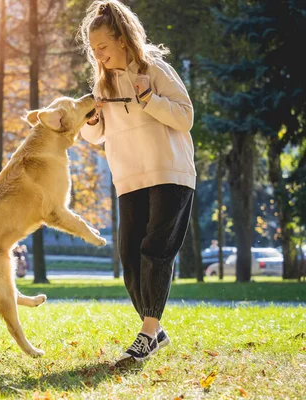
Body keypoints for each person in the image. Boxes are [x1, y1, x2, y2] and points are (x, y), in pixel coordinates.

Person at [78, 0, 196, 366]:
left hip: (169, 172)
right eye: (93, 50)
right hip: (129, 178)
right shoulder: (103, 83)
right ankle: (154, 330)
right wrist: (93, 117)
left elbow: (185, 117)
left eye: (103, 47)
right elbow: (94, 136)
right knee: (130, 256)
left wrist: (149, 97)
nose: (98, 55)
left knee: (155, 249)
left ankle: (147, 332)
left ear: (123, 40)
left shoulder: (156, 69)